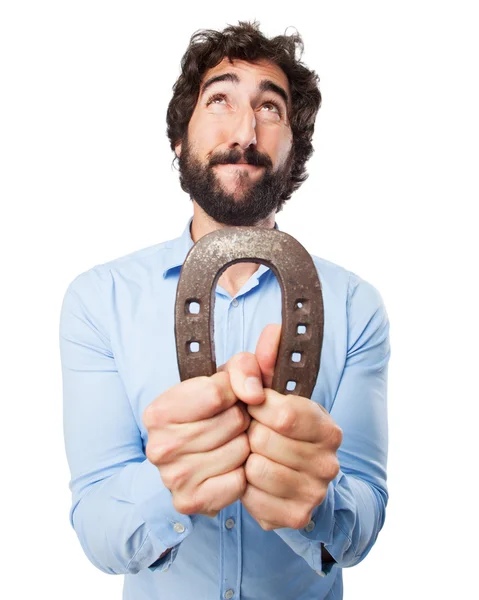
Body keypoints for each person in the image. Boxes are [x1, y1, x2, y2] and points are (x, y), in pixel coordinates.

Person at [59, 20, 391, 600]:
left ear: (295, 150)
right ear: (178, 139)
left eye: (271, 108)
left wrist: (317, 500)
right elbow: (96, 524)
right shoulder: (98, 300)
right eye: (220, 100)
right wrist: (171, 484)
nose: (245, 130)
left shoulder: (354, 305)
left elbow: (364, 519)